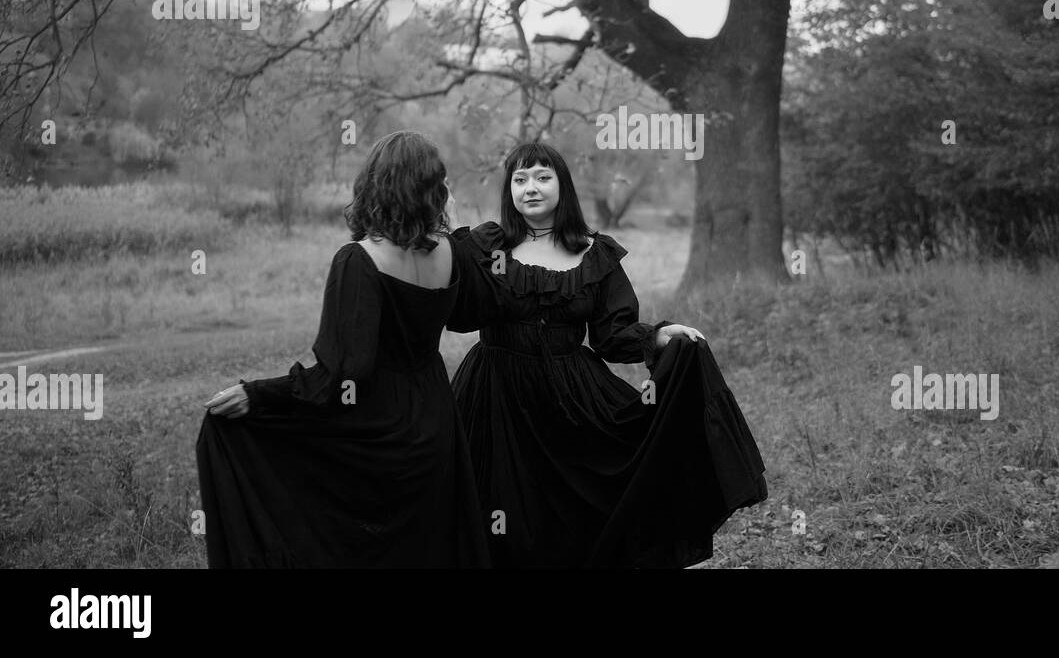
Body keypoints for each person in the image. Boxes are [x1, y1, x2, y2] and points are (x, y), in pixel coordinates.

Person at [447, 141, 767, 568]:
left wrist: (660, 336)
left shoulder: (593, 253)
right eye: (520, 180)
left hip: (569, 399)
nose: (530, 188)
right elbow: (461, 315)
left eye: (543, 177)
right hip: (495, 397)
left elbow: (611, 335)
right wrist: (452, 236)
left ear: (564, 186)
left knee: (576, 508)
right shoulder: (489, 247)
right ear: (509, 190)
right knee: (500, 514)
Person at [195, 131, 489, 568]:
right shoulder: (452, 253)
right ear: (434, 190)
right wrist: (458, 231)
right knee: (422, 545)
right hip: (435, 421)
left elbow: (343, 376)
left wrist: (258, 395)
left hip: (377, 426)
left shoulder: (358, 259)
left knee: (359, 542)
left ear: (376, 184)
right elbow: (469, 316)